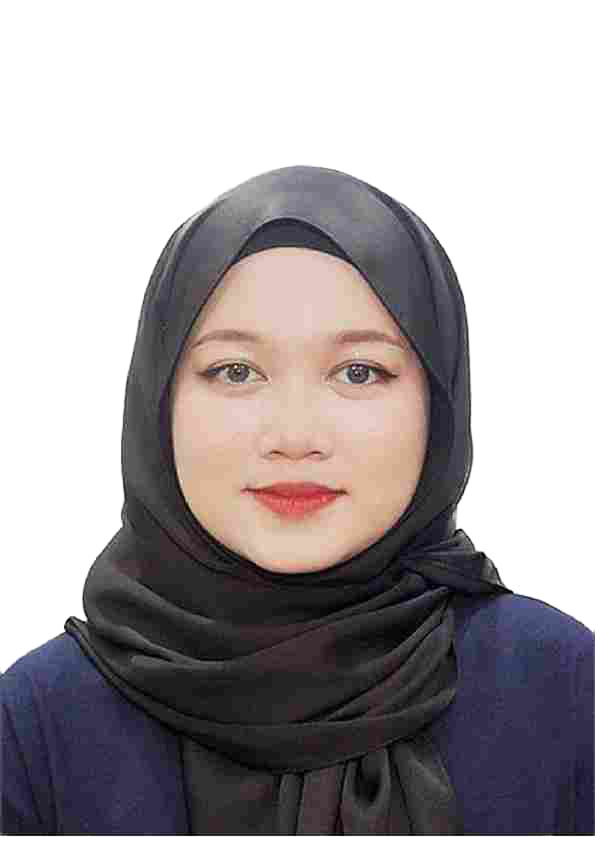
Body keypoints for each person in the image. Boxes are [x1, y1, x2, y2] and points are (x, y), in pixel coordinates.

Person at [1, 165, 593, 835]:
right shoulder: (37, 725)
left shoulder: (561, 689)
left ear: (438, 403)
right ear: (158, 403)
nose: (294, 436)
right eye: (235, 371)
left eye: (358, 372)